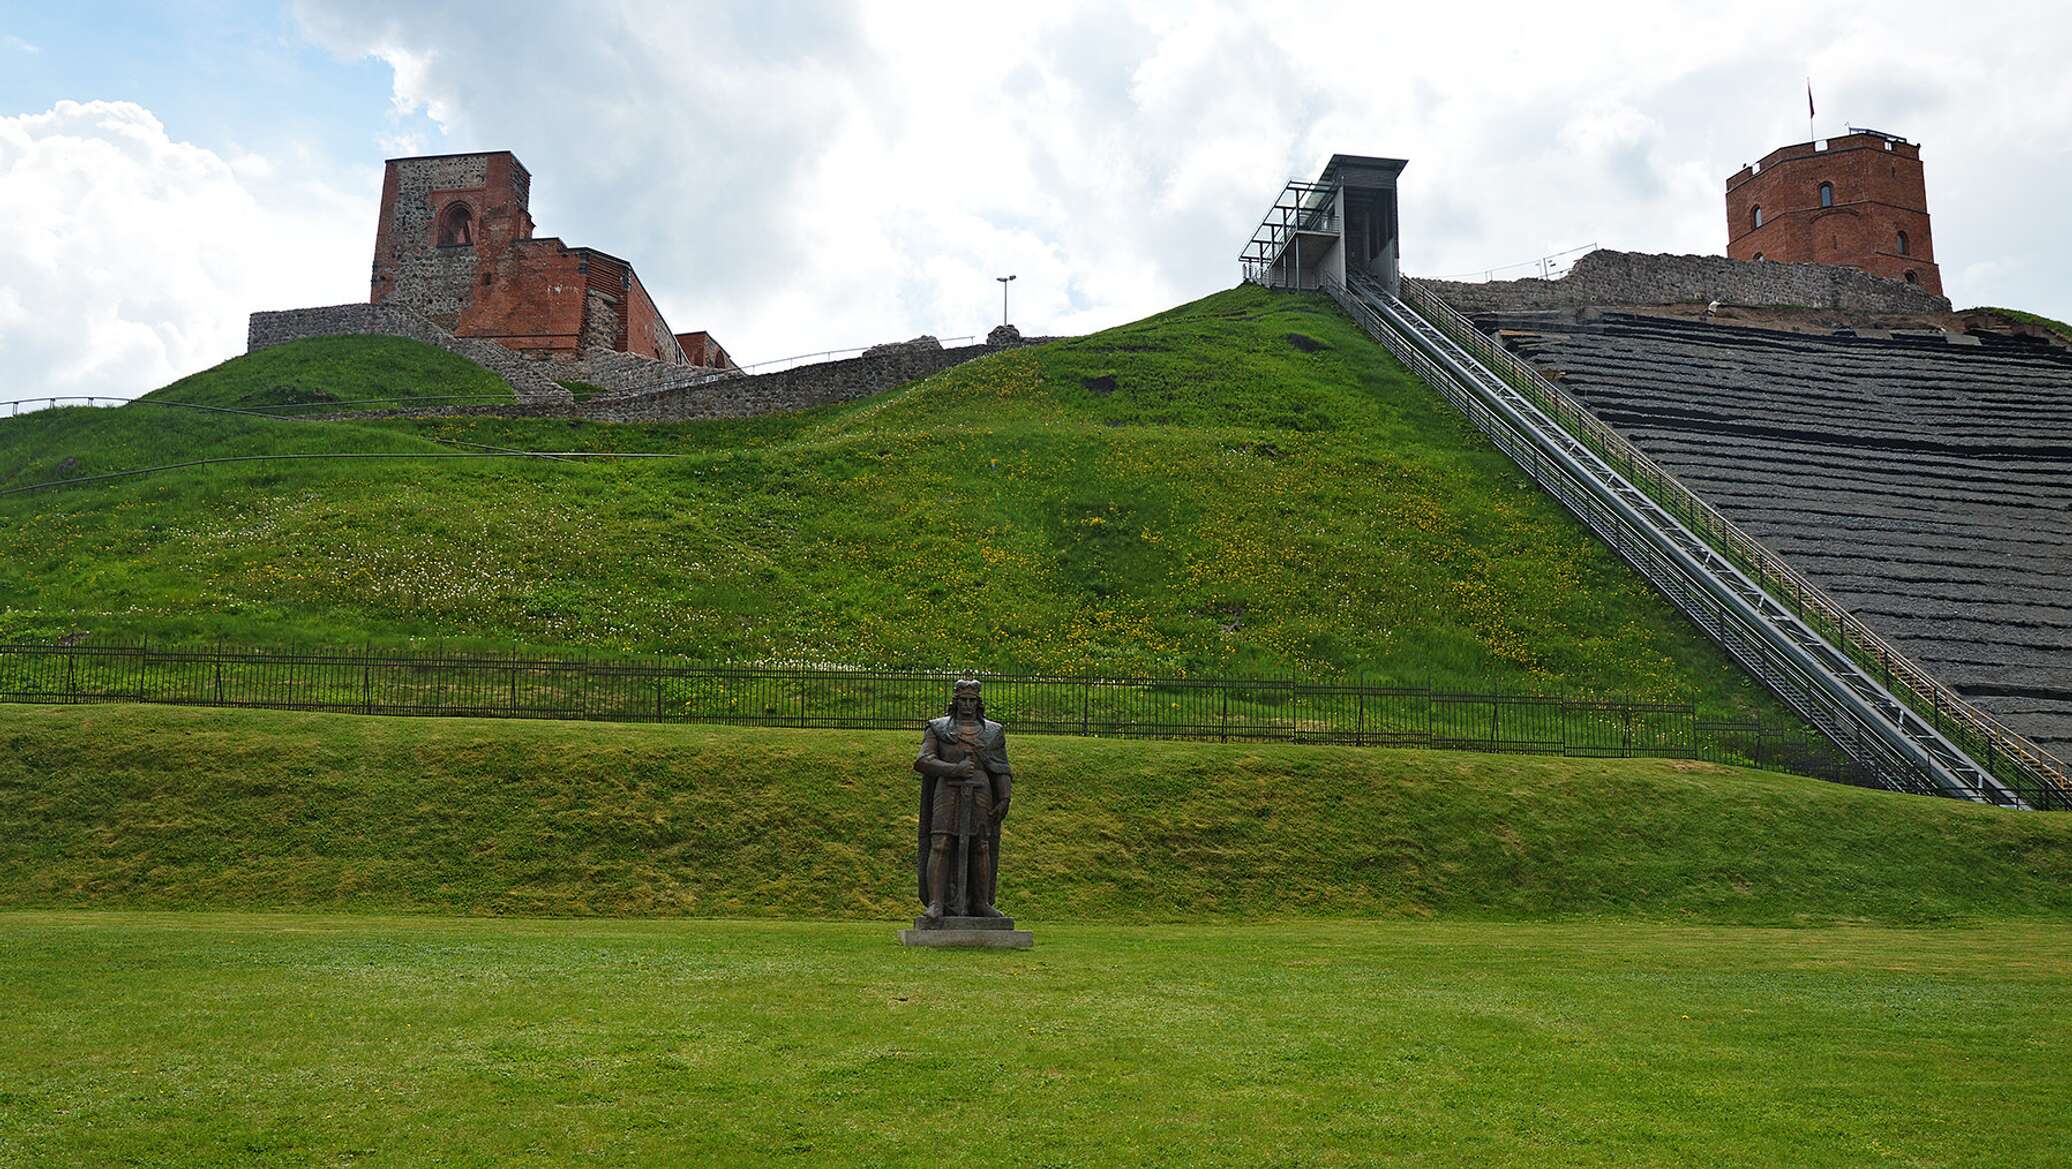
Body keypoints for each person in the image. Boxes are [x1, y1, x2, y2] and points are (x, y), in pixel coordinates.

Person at [913, 679, 1012, 920]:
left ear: (978, 703)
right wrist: (954, 769)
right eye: (963, 700)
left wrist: (1005, 796)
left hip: (981, 790)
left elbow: (1000, 767)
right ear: (955, 702)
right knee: (941, 843)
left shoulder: (992, 731)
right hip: (947, 788)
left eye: (972, 701)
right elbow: (923, 760)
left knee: (981, 845)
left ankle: (981, 902)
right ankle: (936, 903)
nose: (967, 705)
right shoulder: (938, 728)